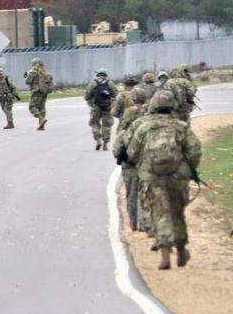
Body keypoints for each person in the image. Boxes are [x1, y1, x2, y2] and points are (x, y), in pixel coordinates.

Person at [124, 90, 202, 270]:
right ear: (172, 105)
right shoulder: (180, 126)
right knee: (176, 212)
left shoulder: (144, 127)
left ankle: (165, 252)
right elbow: (194, 150)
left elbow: (132, 152)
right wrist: (189, 168)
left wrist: (144, 163)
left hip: (152, 177)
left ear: (153, 106)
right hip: (177, 176)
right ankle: (181, 249)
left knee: (160, 212)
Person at [111, 87, 147, 232]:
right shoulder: (148, 115)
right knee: (144, 191)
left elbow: (121, 132)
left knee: (131, 192)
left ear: (133, 100)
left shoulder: (129, 113)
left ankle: (133, 222)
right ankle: (143, 221)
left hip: (129, 160)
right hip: (145, 159)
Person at [84, 68, 119, 150]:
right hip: (107, 107)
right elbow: (116, 95)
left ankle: (98, 139)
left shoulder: (93, 83)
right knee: (107, 125)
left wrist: (91, 101)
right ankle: (105, 144)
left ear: (98, 75)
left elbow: (87, 96)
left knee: (94, 123)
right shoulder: (110, 84)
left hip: (96, 106)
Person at [23, 58, 53, 130]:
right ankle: (41, 126)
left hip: (36, 91)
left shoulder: (32, 71)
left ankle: (41, 119)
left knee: (32, 107)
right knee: (42, 107)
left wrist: (26, 76)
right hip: (44, 90)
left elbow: (27, 82)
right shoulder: (45, 70)